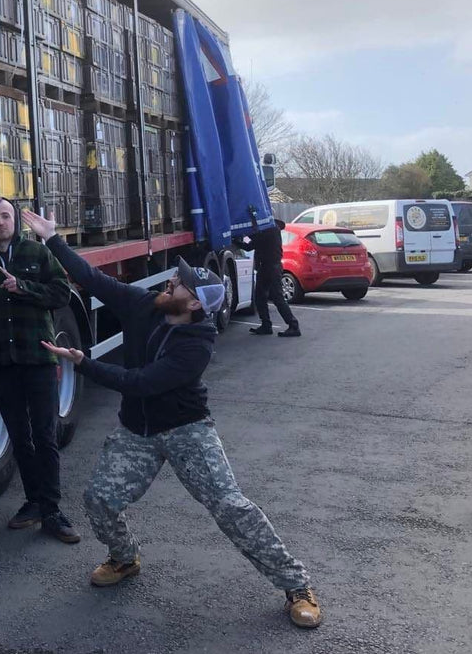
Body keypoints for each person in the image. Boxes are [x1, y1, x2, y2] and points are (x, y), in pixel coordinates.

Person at [21, 208, 323, 630]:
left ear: (194, 302)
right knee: (99, 499)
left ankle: (296, 584)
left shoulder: (197, 344)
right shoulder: (145, 305)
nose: (170, 281)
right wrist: (53, 239)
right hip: (136, 431)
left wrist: (84, 363)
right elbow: (92, 280)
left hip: (186, 431)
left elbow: (141, 382)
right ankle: (125, 559)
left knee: (231, 507)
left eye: (179, 282)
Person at [0, 198, 80, 543]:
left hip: (38, 358)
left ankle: (53, 510)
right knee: (20, 437)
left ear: (15, 220)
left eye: (5, 216)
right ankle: (34, 502)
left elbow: (61, 293)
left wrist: (22, 287)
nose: (0, 222)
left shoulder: (37, 253)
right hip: (3, 362)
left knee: (45, 435)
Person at [247, 220, 301, 338]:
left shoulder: (268, 230)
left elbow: (249, 246)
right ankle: (266, 325)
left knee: (277, 297)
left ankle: (293, 325)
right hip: (269, 267)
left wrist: (235, 238)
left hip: (270, 267)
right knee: (260, 296)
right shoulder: (272, 229)